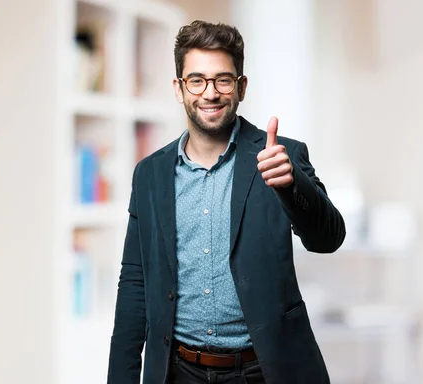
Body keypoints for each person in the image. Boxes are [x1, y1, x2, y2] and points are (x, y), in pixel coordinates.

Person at [108, 20, 345, 384]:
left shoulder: (280, 156)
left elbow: (328, 239)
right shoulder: (149, 175)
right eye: (197, 80)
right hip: (178, 370)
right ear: (179, 88)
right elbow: (135, 283)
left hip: (265, 370)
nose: (210, 93)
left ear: (241, 86)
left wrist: (291, 185)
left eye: (223, 79)